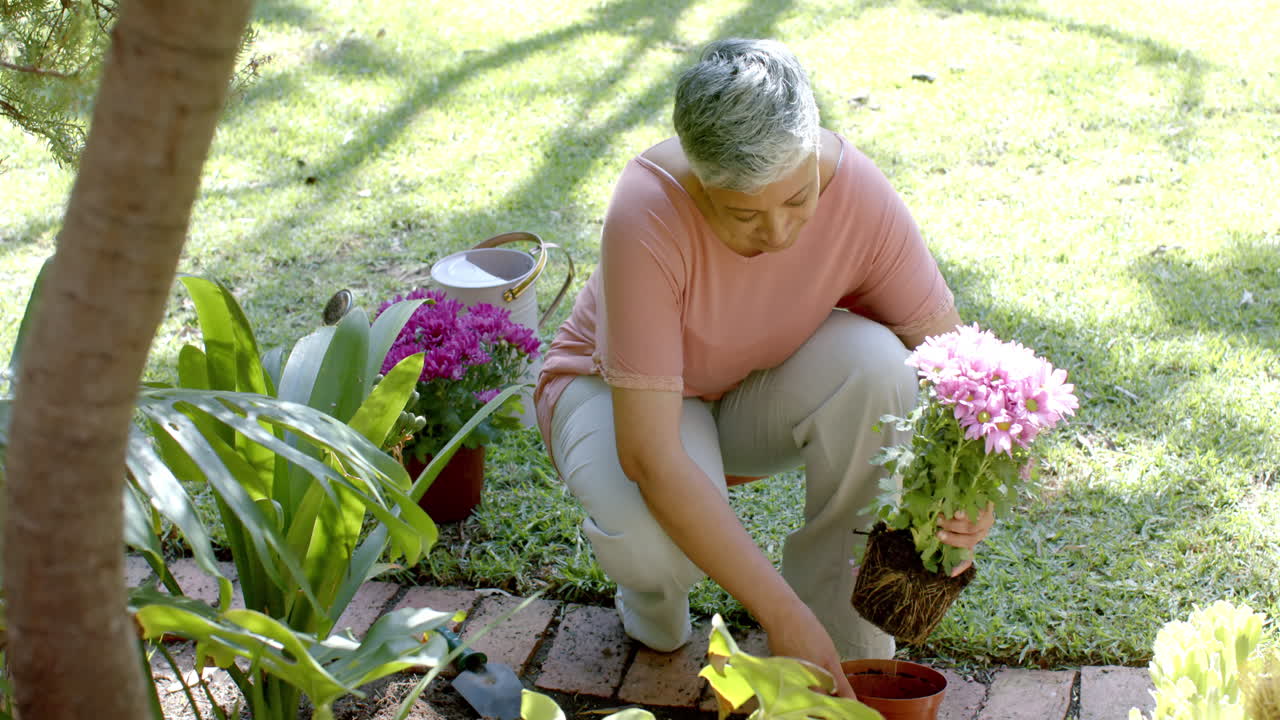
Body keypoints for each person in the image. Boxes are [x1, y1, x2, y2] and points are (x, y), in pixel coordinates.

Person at [532, 38, 994, 698]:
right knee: (656, 545)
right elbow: (652, 456)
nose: (779, 234)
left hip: (748, 394)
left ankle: (842, 647)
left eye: (798, 200)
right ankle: (650, 598)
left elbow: (961, 369)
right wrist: (779, 613)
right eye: (745, 214)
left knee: (878, 365)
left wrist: (974, 497)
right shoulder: (646, 209)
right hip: (614, 399)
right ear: (700, 179)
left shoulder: (857, 193)